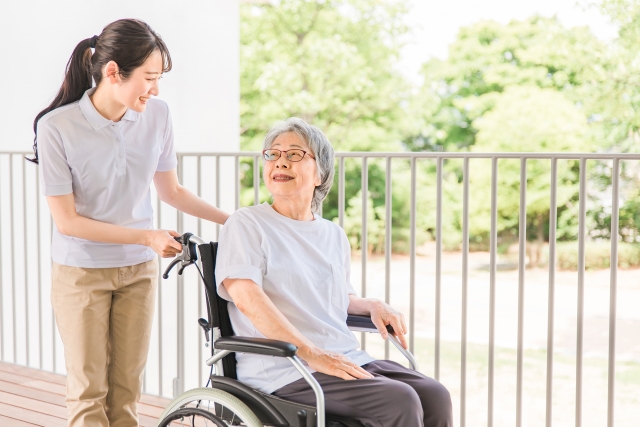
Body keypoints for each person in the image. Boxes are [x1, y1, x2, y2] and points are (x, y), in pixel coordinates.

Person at [33, 19, 229, 427]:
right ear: (112, 72)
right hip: (81, 272)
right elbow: (67, 222)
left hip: (138, 271)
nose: (155, 90)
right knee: (89, 393)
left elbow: (171, 191)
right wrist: (147, 235)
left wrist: (234, 221)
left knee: (126, 393)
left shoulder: (157, 115)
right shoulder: (57, 127)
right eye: (149, 78)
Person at [216, 117, 452, 427]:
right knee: (399, 400)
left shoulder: (332, 234)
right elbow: (246, 298)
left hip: (340, 357)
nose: (280, 162)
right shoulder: (247, 223)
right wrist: (311, 353)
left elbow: (334, 297)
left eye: (294, 154)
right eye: (272, 154)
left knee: (435, 393)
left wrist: (370, 305)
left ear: (320, 173)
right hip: (285, 367)